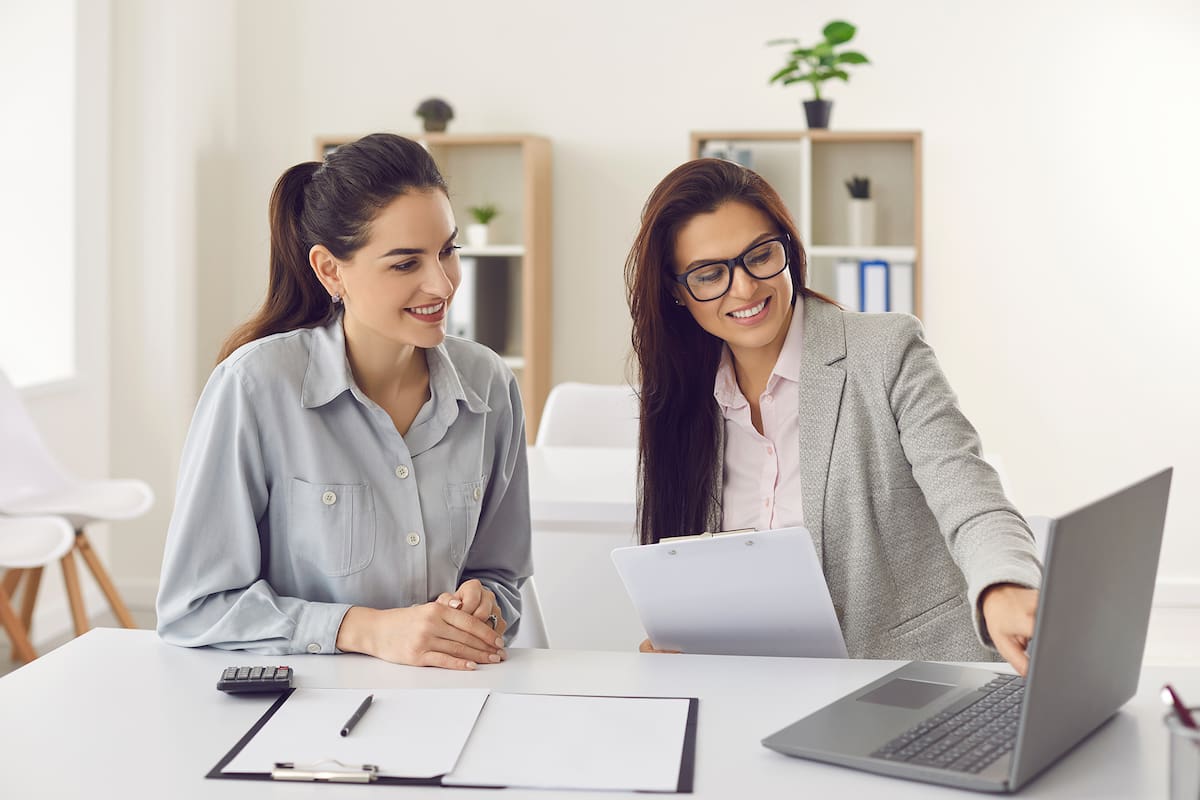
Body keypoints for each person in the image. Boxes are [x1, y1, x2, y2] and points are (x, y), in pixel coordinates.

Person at [624, 158, 1042, 674]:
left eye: (759, 255)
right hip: (751, 689)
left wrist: (1002, 587)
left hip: (904, 680)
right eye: (710, 273)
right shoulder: (679, 405)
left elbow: (969, 494)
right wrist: (671, 643)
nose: (745, 288)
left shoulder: (884, 350)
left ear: (788, 249)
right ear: (678, 292)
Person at [156, 133, 531, 670]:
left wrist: (485, 603)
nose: (442, 284)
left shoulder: (489, 383)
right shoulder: (255, 387)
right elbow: (194, 607)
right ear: (331, 270)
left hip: (453, 695)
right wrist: (367, 630)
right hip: (304, 710)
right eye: (405, 264)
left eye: (448, 251)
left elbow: (502, 575)